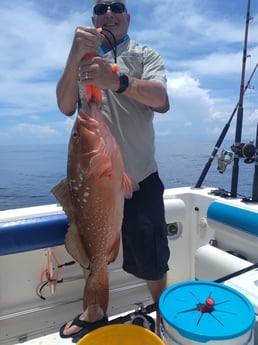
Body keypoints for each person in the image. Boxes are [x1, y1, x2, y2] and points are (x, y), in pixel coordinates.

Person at [56, 0, 170, 338]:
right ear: (93, 18)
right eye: (101, 8)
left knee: (151, 255)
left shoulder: (145, 55)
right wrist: (74, 54)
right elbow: (65, 105)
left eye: (116, 7)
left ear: (127, 17)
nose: (109, 13)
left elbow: (162, 99)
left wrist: (119, 81)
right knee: (91, 244)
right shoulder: (81, 59)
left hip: (140, 177)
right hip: (95, 178)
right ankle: (94, 311)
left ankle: (162, 310)